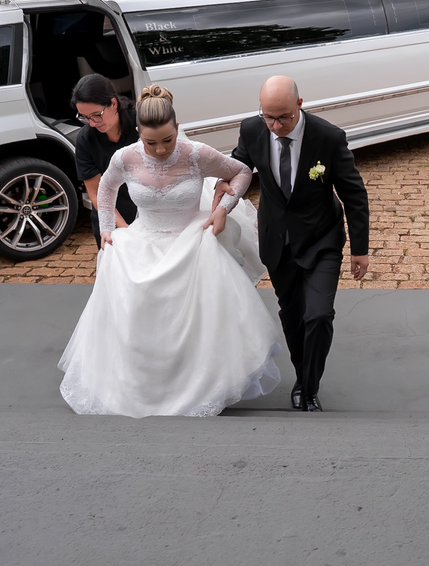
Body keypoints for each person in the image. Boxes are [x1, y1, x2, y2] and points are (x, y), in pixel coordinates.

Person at [58, 85, 281, 418]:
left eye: (167, 140)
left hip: (191, 239)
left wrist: (223, 208)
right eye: (151, 143)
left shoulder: (197, 153)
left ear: (177, 128)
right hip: (143, 238)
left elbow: (242, 172)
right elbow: (104, 191)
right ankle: (145, 385)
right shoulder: (125, 157)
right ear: (139, 132)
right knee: (140, 312)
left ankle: (199, 381)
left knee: (198, 316)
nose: (160, 150)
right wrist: (107, 229)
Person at [215, 76, 369, 412]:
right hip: (277, 240)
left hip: (321, 239)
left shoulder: (328, 137)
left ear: (299, 104)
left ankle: (309, 388)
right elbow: (238, 169)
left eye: (283, 117)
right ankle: (303, 376)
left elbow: (354, 194)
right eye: (268, 117)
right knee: (292, 315)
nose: (275, 125)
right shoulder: (252, 130)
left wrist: (360, 249)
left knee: (319, 315)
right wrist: (221, 192)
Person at [71, 74, 138, 249]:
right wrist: (125, 230)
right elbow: (96, 194)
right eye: (85, 117)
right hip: (110, 215)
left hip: (148, 208)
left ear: (113, 103)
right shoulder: (85, 140)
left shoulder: (141, 123)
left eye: (96, 115)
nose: (92, 123)